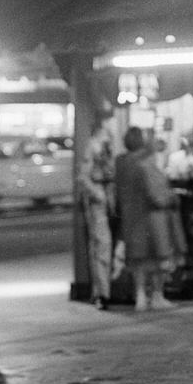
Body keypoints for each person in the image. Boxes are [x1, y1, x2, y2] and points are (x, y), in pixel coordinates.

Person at [114, 126, 179, 311]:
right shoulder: (145, 163)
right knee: (159, 258)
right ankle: (157, 295)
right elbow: (155, 193)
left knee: (138, 260)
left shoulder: (121, 162)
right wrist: (171, 198)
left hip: (130, 216)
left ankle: (140, 296)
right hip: (150, 217)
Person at [77, 120, 116, 309]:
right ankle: (102, 292)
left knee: (103, 246)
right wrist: (97, 193)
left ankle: (101, 290)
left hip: (107, 198)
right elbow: (84, 176)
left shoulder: (108, 146)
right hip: (98, 201)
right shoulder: (94, 146)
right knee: (102, 244)